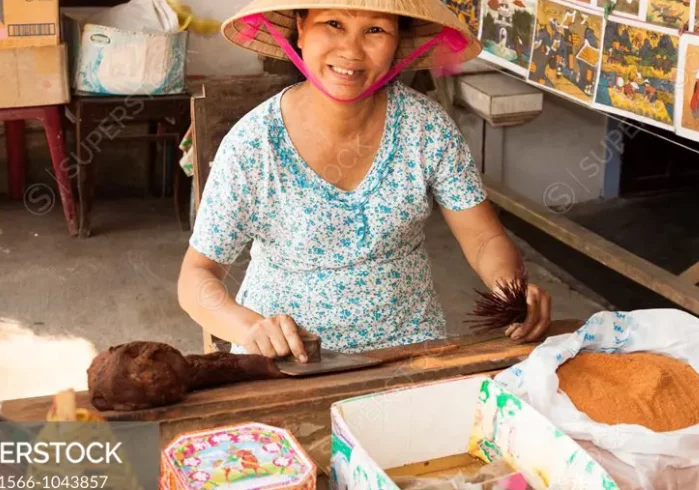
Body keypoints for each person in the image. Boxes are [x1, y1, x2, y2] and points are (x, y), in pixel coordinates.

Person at [177, 0, 553, 360]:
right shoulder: (253, 145)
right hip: (285, 360)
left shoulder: (427, 128)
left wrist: (510, 288)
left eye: (375, 29)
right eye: (334, 24)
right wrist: (248, 328)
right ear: (301, 29)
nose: (352, 50)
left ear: (397, 44)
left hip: (409, 351)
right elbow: (196, 277)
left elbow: (484, 238)